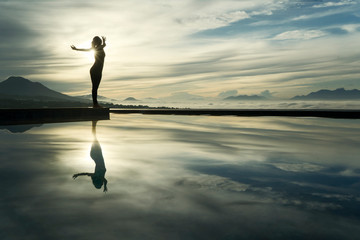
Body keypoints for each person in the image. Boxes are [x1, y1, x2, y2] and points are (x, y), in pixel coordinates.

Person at [71, 36, 106, 108]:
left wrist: (76, 49)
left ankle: (95, 104)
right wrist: (103, 41)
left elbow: (87, 49)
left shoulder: (96, 48)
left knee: (95, 87)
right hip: (95, 70)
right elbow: (103, 45)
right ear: (98, 41)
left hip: (98, 70)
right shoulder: (98, 48)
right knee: (95, 87)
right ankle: (95, 104)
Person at [73, 121, 108, 192]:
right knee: (94, 138)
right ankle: (94, 123)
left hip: (96, 155)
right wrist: (78, 174)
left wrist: (78, 174)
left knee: (94, 138)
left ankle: (94, 123)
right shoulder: (96, 176)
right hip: (94, 155)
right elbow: (86, 174)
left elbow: (105, 180)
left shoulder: (99, 176)